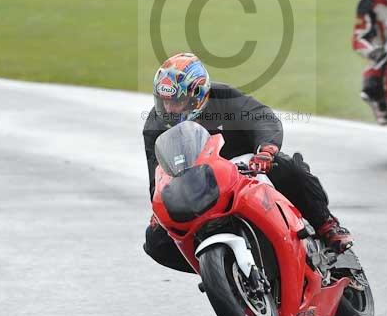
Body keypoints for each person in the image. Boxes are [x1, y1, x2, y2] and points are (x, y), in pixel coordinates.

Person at [142, 51, 352, 273]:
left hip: (247, 169)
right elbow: (156, 172)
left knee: (287, 167)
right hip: (199, 187)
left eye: (176, 101)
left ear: (197, 93)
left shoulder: (223, 97)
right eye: (163, 101)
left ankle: (325, 224)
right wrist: (160, 206)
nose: (168, 109)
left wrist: (266, 150)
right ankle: (221, 269)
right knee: (156, 242)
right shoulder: (155, 125)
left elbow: (260, 116)